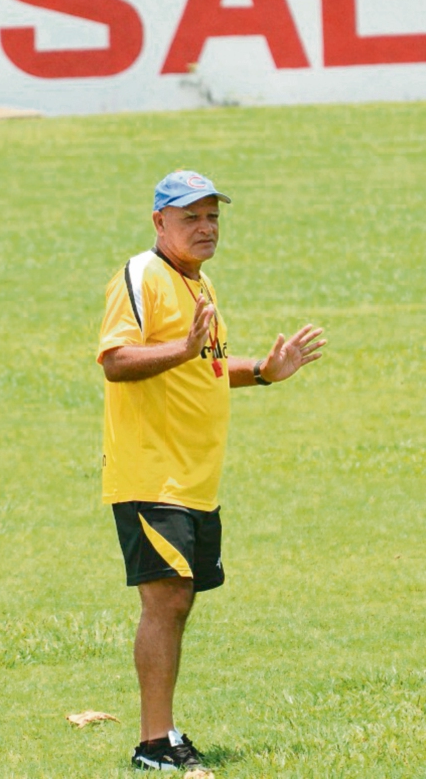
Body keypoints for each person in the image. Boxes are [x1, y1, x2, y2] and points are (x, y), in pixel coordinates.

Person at [98, 171, 326, 772]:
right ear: (159, 222)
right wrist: (182, 348)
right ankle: (153, 744)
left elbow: (210, 368)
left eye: (212, 217)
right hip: (151, 474)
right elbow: (115, 360)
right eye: (190, 217)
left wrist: (266, 371)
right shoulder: (142, 276)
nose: (205, 228)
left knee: (179, 602)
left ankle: (165, 733)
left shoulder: (200, 285)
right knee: (166, 600)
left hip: (194, 479)